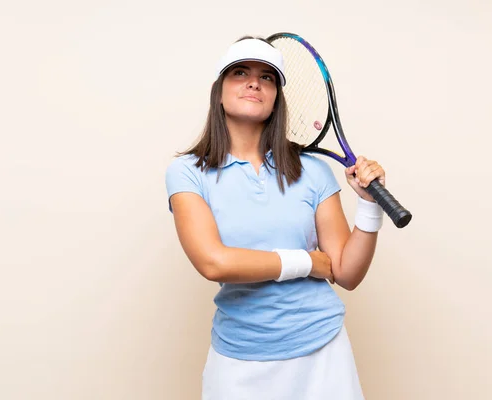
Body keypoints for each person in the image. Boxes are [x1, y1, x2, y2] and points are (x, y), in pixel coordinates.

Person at [165, 36, 387, 400]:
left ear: (276, 99)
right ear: (217, 91)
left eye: (267, 77)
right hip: (240, 355)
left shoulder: (313, 171)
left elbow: (346, 273)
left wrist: (368, 205)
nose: (254, 82)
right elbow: (213, 262)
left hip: (323, 350)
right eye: (240, 72)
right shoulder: (187, 172)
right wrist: (308, 263)